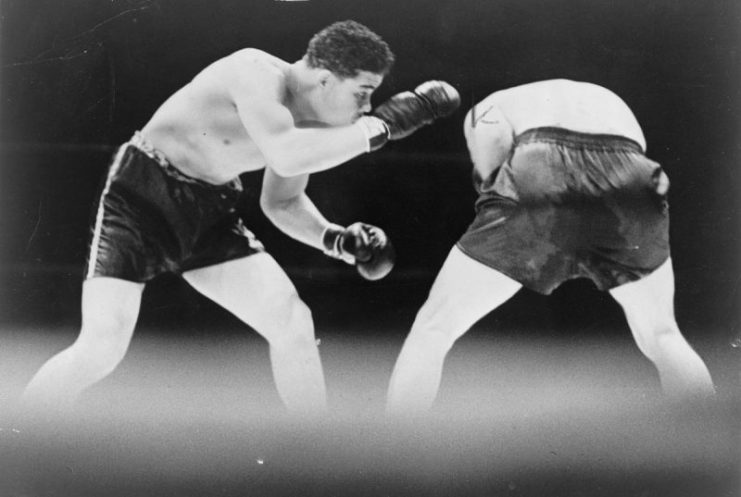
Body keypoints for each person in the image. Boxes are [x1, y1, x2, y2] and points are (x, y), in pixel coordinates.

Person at [20, 20, 460, 415]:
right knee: (101, 347)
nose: (366, 107)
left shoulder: (316, 129)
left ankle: (317, 451)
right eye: (362, 93)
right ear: (325, 79)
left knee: (291, 322)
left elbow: (282, 202)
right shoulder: (254, 72)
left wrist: (335, 239)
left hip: (210, 212)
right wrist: (380, 129)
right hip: (142, 201)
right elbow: (287, 154)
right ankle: (18, 436)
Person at [385, 79, 716, 415]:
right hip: (632, 175)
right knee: (662, 334)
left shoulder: (486, 105)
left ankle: (393, 454)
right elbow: (622, 160)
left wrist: (494, 188)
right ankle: (713, 448)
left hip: (542, 166)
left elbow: (492, 162)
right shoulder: (604, 98)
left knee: (433, 327)